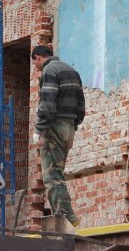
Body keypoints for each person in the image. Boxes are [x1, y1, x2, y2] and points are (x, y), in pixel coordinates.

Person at [31, 45, 86, 228]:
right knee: (59, 173)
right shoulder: (72, 71)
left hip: (54, 127)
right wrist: (74, 124)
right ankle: (68, 214)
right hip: (69, 127)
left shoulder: (50, 70)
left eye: (35, 63)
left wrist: (38, 129)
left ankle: (64, 217)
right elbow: (81, 105)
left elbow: (47, 103)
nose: (36, 67)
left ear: (39, 58)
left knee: (52, 176)